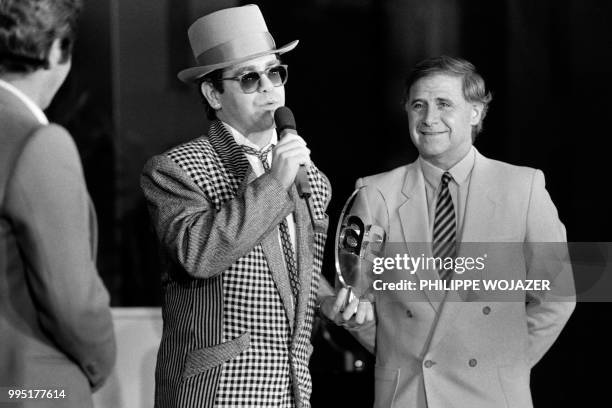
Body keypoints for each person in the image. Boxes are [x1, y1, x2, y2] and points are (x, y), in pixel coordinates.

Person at [323, 56, 575, 408]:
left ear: (475, 112)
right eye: (418, 105)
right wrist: (386, 344)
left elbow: (559, 294)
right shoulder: (373, 193)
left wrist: (504, 367)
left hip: (495, 396)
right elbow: (354, 298)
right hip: (408, 395)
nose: (429, 119)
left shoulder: (524, 186)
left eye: (444, 104)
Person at [140, 5, 332, 408]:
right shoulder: (177, 168)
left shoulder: (309, 175)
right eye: (249, 78)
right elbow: (200, 255)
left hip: (292, 393)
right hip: (218, 394)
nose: (269, 88)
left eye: (275, 72)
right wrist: (274, 182)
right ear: (213, 93)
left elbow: (300, 284)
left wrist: (338, 303)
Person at [0, 0, 116, 406]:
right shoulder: (40, 143)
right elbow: (73, 303)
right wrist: (99, 367)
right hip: (33, 389)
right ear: (54, 51)